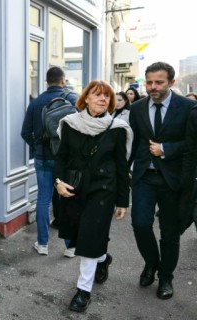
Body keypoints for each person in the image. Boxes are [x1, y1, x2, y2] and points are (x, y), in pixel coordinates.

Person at [54, 80, 133, 312]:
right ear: (85, 98)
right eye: (97, 95)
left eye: (106, 97)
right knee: (80, 235)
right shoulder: (70, 124)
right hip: (75, 188)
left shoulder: (118, 128)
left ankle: (83, 291)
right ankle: (103, 258)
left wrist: (122, 200)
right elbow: (61, 158)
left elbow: (121, 167)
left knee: (89, 237)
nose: (102, 99)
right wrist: (58, 182)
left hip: (103, 190)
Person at [128, 61, 194, 300]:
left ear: (171, 83)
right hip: (144, 177)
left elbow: (192, 143)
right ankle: (152, 264)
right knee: (140, 224)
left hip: (172, 180)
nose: (153, 87)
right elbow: (132, 143)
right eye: (149, 82)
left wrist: (167, 149)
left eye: (159, 82)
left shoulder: (188, 108)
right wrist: (125, 171)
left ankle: (166, 277)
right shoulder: (136, 108)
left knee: (170, 233)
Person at [21, 66, 78, 257]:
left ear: (47, 81)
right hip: (67, 159)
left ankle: (43, 244)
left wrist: (37, 146)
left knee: (43, 199)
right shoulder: (71, 100)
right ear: (63, 81)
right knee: (67, 199)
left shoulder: (36, 103)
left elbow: (25, 132)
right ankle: (70, 247)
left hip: (43, 158)